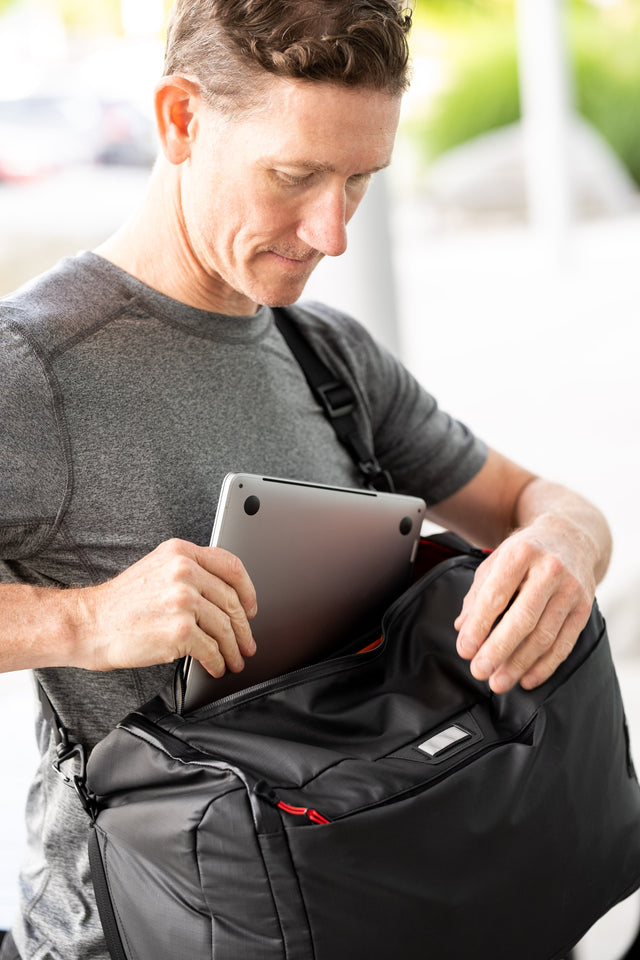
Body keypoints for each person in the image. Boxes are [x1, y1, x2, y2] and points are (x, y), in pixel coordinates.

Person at [0, 1, 611, 958]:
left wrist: (563, 544)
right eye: (294, 176)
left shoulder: (325, 352)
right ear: (179, 120)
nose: (331, 232)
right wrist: (86, 621)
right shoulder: (29, 370)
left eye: (360, 182)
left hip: (365, 899)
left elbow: (542, 502)